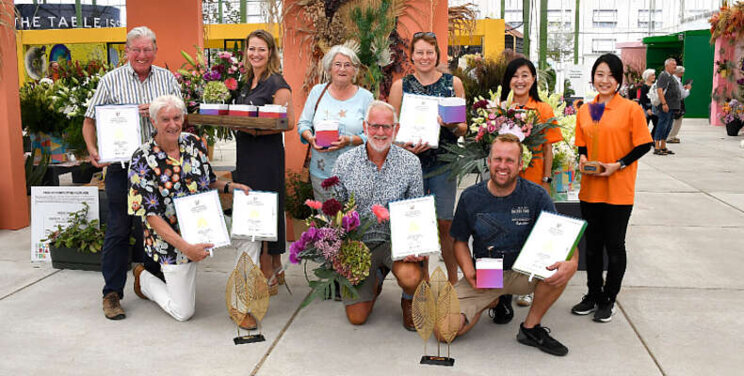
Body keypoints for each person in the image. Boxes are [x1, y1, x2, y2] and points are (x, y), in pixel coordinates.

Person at [82, 26, 182, 320]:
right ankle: (112, 293)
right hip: (121, 168)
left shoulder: (166, 80)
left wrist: (158, 110)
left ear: (155, 50)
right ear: (126, 51)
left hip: (159, 168)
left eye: (147, 49)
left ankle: (152, 282)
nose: (141, 55)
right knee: (118, 229)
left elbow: (182, 116)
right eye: (136, 50)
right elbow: (90, 121)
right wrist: (92, 149)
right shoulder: (110, 81)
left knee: (155, 227)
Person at [446, 133, 577, 356]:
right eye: (497, 159)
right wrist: (469, 273)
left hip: (525, 272)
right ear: (488, 162)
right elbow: (458, 241)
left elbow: (564, 238)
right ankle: (494, 301)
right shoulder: (470, 197)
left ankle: (530, 328)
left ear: (520, 165)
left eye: (509, 160)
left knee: (559, 272)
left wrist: (572, 263)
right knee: (445, 331)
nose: (502, 166)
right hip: (487, 273)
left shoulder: (535, 196)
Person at [127, 95, 250, 321]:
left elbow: (209, 180)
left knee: (250, 234)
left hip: (205, 222)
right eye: (165, 119)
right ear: (153, 122)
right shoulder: (141, 158)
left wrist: (232, 187)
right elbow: (150, 216)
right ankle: (143, 279)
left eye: (177, 118)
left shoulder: (194, 143)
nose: (173, 124)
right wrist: (186, 247)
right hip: (171, 237)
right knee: (183, 312)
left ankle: (242, 304)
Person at [571, 53, 653, 323]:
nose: (604, 80)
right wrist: (582, 157)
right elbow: (584, 140)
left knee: (614, 245)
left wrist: (618, 164)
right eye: (600, 74)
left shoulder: (630, 109)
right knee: (592, 246)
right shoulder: (588, 108)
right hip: (591, 188)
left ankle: (609, 298)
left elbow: (644, 144)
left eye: (610, 76)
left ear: (618, 81)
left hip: (618, 188)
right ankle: (592, 294)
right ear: (593, 77)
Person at [332, 100, 425, 330]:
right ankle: (377, 277)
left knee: (412, 278)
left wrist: (417, 247)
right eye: (375, 126)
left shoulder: (411, 163)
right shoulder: (344, 163)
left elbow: (416, 212)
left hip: (395, 242)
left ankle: (409, 300)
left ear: (396, 129)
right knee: (357, 318)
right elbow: (334, 210)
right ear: (365, 127)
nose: (380, 132)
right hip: (358, 244)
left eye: (387, 127)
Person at [388, 31, 467, 286]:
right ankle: (420, 284)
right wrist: (404, 146)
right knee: (417, 223)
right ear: (411, 56)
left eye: (429, 52)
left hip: (444, 161)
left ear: (437, 56)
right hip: (412, 163)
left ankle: (453, 282)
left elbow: (463, 128)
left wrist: (452, 124)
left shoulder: (452, 84)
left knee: (445, 223)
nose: (424, 57)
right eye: (419, 52)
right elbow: (392, 130)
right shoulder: (401, 86)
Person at [491, 57, 564, 317]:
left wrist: (545, 181)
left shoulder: (543, 109)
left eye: (525, 75)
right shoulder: (500, 108)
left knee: (531, 232)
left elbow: (548, 147)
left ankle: (527, 284)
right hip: (503, 182)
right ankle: (500, 291)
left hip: (533, 180)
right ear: (508, 80)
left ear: (533, 79)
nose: (519, 81)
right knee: (503, 230)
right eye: (515, 76)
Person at [232, 29, 294, 295]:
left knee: (267, 207)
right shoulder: (247, 82)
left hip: (266, 156)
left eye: (261, 49)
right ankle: (272, 266)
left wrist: (256, 130)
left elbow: (288, 123)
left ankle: (268, 268)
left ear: (270, 52)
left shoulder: (276, 83)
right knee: (251, 206)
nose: (255, 54)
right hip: (245, 154)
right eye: (251, 49)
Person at [298, 45, 374, 202]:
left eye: (348, 65)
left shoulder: (366, 97)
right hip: (321, 172)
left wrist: (350, 140)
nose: (342, 69)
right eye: (337, 64)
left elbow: (374, 133)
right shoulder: (317, 92)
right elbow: (303, 124)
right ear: (329, 68)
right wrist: (311, 138)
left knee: (354, 220)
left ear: (354, 70)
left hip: (356, 172)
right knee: (327, 220)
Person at [653, 58, 681, 155]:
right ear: (667, 66)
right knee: (662, 125)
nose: (675, 66)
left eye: (675, 64)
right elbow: (660, 90)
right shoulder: (663, 75)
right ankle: (657, 146)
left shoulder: (672, 77)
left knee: (668, 126)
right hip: (666, 106)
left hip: (672, 107)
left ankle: (663, 146)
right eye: (673, 64)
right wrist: (664, 103)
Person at [667, 65, 692, 144]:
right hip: (677, 103)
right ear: (680, 73)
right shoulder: (677, 81)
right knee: (677, 120)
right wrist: (688, 89)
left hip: (672, 103)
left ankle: (670, 136)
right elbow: (682, 95)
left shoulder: (673, 79)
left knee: (673, 120)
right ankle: (671, 136)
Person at [639, 68, 658, 133]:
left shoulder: (654, 86)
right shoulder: (644, 87)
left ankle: (652, 139)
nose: (654, 77)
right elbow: (642, 99)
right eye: (652, 75)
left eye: (654, 75)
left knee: (657, 125)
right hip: (647, 109)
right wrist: (647, 109)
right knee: (644, 126)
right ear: (648, 76)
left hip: (654, 108)